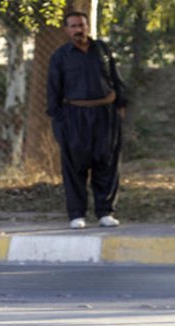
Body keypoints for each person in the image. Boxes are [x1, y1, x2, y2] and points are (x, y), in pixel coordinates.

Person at [47, 11, 127, 229]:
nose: (78, 30)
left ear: (87, 26)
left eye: (81, 25)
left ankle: (105, 212)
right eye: (73, 26)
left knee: (107, 163)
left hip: (105, 115)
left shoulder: (102, 50)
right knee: (75, 166)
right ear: (67, 30)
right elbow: (53, 92)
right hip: (75, 117)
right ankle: (76, 214)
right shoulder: (60, 56)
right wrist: (60, 122)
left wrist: (120, 105)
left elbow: (115, 78)